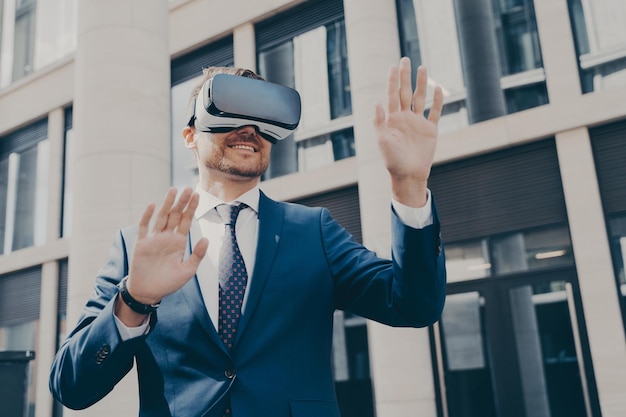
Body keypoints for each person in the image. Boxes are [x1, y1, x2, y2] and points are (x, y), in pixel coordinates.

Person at [49, 57, 446, 417]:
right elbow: (72, 387)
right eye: (230, 113)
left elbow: (414, 305)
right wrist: (134, 300)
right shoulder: (141, 245)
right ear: (190, 136)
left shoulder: (314, 232)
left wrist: (409, 186)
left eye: (263, 119)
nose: (250, 130)